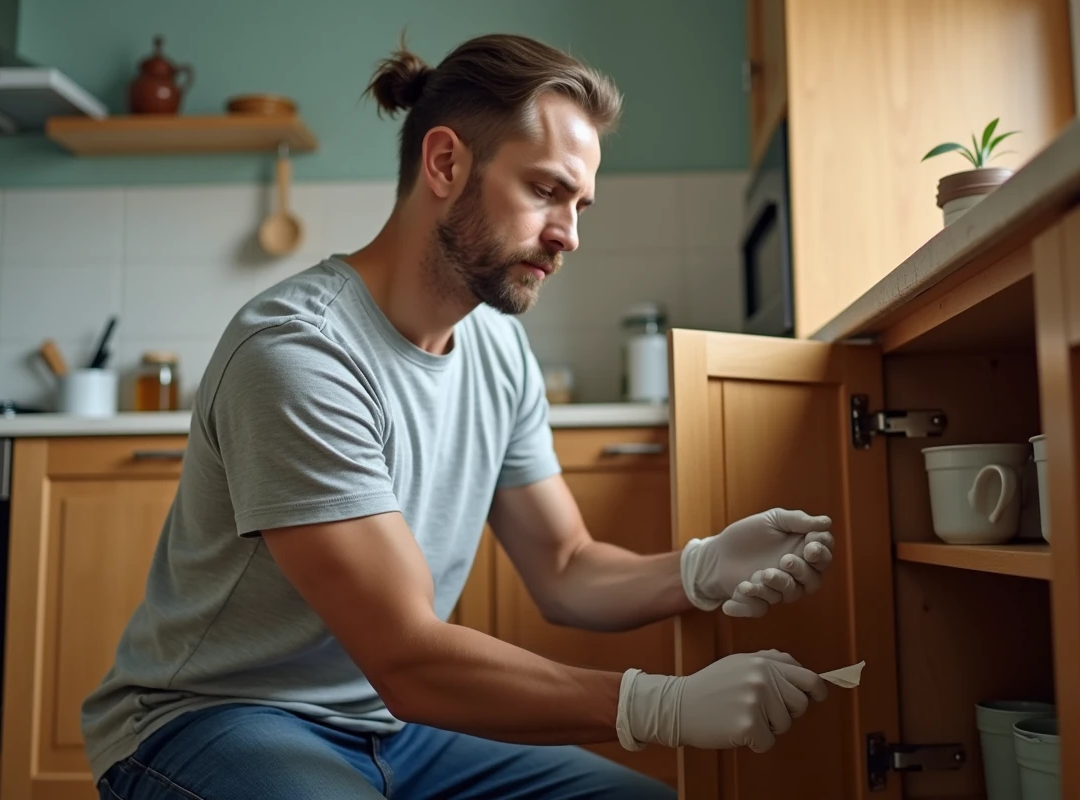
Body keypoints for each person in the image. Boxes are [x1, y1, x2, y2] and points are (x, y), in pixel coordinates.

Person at [81, 32, 837, 800]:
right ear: (445, 164)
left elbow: (566, 569)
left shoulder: (499, 351)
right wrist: (659, 704)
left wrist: (698, 569)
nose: (568, 235)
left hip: (389, 726)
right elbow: (408, 656)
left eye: (579, 205)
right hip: (214, 717)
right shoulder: (300, 354)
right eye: (546, 190)